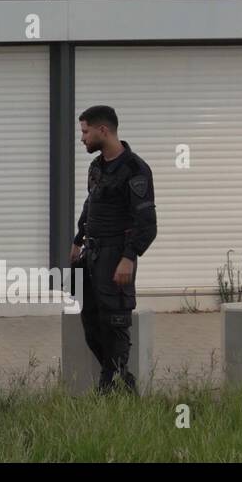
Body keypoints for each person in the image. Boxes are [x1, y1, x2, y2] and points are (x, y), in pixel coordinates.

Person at [72, 105, 157, 393]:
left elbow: (147, 223)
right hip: (91, 253)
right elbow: (91, 204)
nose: (82, 138)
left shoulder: (135, 169)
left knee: (115, 322)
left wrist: (128, 258)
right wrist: (77, 239)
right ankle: (114, 378)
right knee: (92, 323)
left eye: (85, 131)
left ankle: (117, 383)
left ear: (103, 130)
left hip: (115, 255)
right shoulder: (96, 166)